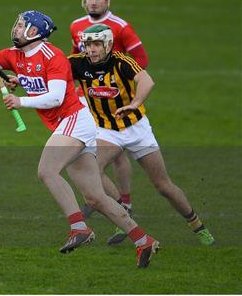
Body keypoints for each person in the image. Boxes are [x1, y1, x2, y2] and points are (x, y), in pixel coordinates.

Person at [0, 10, 160, 268]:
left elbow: (57, 97)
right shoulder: (15, 56)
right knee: (95, 197)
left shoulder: (54, 56)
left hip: (75, 121)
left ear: (35, 31)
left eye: (22, 25)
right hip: (66, 126)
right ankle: (143, 240)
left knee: (47, 171)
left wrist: (20, 100)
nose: (16, 28)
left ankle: (79, 228)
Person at [69, 24, 215, 246]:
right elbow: (51, 75)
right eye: (88, 44)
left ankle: (197, 225)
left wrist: (135, 103)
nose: (92, 49)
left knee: (163, 186)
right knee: (92, 170)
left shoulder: (121, 61)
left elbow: (147, 81)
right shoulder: (77, 63)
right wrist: (19, 81)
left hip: (137, 129)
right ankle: (123, 212)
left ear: (108, 44)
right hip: (107, 131)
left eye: (97, 44)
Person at [69, 0, 149, 243]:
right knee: (98, 150)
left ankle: (121, 202)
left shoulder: (121, 27)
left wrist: (121, 81)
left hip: (120, 98)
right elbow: (74, 59)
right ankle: (105, 199)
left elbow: (142, 60)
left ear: (108, 0)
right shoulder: (77, 26)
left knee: (115, 154)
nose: (93, 1)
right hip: (93, 96)